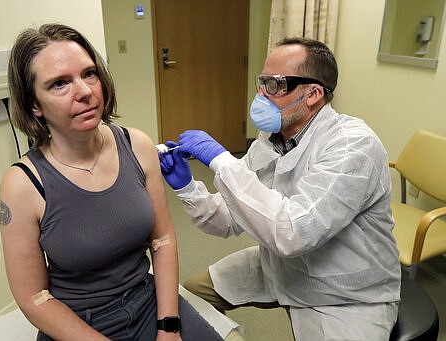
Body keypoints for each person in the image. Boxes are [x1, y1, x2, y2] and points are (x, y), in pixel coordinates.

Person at [159, 37, 401, 340]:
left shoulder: (352, 145)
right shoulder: (270, 139)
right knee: (193, 297)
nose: (261, 94)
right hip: (282, 267)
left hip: (345, 292)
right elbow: (228, 220)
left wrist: (223, 162)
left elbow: (294, 232)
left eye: (275, 84)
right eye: (262, 82)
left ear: (313, 94)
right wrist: (188, 189)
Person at [0, 23, 223, 341]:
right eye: (60, 84)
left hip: (148, 302)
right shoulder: (22, 184)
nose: (85, 92)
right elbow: (34, 298)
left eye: (89, 74)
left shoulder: (137, 146)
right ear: (34, 104)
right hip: (78, 324)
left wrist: (169, 326)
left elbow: (162, 240)